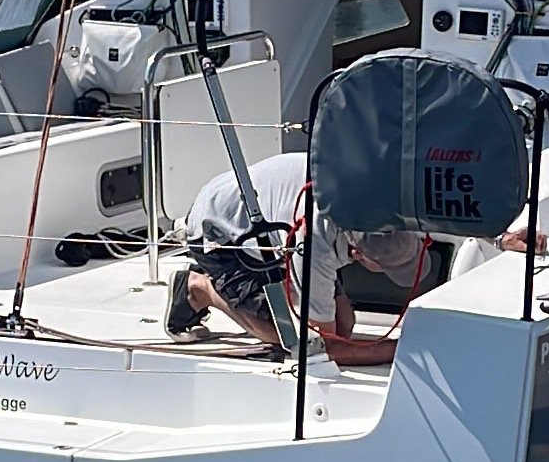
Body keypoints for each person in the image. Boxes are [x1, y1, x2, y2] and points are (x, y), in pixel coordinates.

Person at [164, 150, 426, 367]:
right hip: (219, 230)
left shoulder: (373, 206)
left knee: (344, 325)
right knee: (286, 335)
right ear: (358, 254)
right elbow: (324, 347)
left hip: (271, 225)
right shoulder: (317, 244)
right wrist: (404, 350)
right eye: (387, 267)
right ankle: (198, 288)